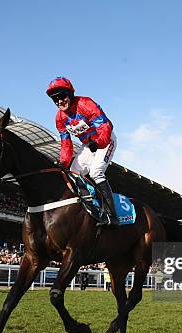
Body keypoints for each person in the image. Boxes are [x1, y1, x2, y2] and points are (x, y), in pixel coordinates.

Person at [46, 76, 119, 226]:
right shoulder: (59, 118)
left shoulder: (86, 104)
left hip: (105, 140)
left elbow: (105, 127)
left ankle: (112, 216)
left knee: (96, 171)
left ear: (70, 94)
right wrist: (63, 163)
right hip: (88, 145)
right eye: (55, 99)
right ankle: (90, 208)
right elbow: (66, 143)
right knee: (73, 172)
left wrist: (98, 142)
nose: (59, 101)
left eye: (62, 96)